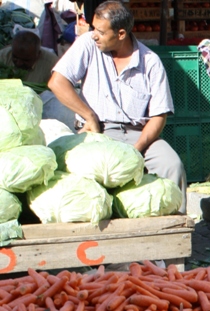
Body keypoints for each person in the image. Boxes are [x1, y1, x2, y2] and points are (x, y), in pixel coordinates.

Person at [48, 0, 187, 209]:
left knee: (171, 164)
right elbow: (57, 82)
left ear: (121, 34)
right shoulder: (88, 44)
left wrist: (137, 149)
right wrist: (89, 116)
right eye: (94, 28)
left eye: (101, 32)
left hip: (138, 135)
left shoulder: (150, 62)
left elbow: (159, 116)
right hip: (99, 133)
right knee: (92, 179)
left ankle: (175, 230)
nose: (94, 34)